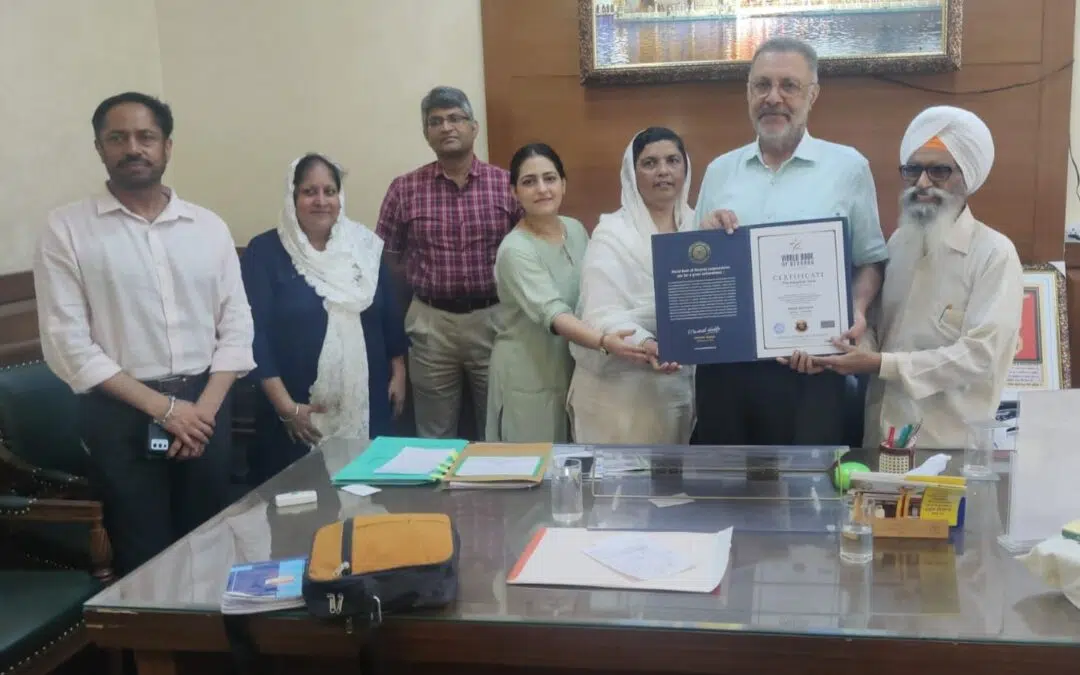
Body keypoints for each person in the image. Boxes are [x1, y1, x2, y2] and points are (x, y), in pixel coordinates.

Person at [34, 92, 254, 575]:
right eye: (118, 137)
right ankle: (157, 652)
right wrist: (166, 411)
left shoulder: (208, 227)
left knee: (214, 541)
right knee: (144, 553)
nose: (133, 148)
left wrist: (201, 414)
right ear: (99, 148)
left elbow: (237, 327)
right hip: (121, 414)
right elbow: (69, 345)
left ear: (167, 146)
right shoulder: (67, 229)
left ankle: (220, 649)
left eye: (145, 136)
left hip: (206, 406)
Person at [787, 106, 1023, 449]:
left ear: (967, 176)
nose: (923, 183)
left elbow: (981, 356)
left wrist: (881, 364)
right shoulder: (899, 243)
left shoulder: (994, 254)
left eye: (939, 171)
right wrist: (841, 351)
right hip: (880, 438)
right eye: (913, 170)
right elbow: (878, 327)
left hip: (947, 446)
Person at [693, 37, 889, 446]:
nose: (773, 98)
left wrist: (853, 309)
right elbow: (699, 272)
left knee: (805, 497)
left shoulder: (848, 168)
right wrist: (707, 241)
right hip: (726, 371)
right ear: (747, 92)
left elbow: (870, 259)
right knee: (723, 497)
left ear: (812, 95)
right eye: (761, 85)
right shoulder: (720, 172)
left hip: (811, 370)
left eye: (789, 86)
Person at [240, 154, 408, 485]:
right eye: (309, 191)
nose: (321, 201)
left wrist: (399, 372)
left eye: (329, 191)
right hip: (294, 409)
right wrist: (286, 408)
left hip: (367, 398)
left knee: (369, 498)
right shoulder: (265, 252)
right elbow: (253, 334)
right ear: (293, 197)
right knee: (299, 508)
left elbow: (388, 314)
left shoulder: (363, 248)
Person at [376, 86, 520, 439]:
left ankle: (495, 494)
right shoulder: (404, 189)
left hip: (493, 320)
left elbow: (527, 256)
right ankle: (435, 495)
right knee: (433, 433)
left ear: (474, 127)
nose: (446, 127)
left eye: (456, 118)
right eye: (436, 121)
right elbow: (384, 262)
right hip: (430, 325)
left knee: (497, 429)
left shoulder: (506, 185)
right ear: (427, 134)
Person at [486, 143, 647, 443]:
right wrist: (604, 342)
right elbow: (555, 314)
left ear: (563, 184)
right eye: (529, 182)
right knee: (534, 470)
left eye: (549, 178)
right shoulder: (515, 250)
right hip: (529, 373)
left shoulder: (574, 229)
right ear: (514, 192)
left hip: (574, 366)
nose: (542, 189)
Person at [568, 127, 696, 444]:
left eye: (672, 160)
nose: (663, 171)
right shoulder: (611, 234)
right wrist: (646, 342)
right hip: (617, 394)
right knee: (618, 488)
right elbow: (600, 313)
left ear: (686, 168)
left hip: (678, 389)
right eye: (649, 163)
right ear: (632, 173)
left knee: (673, 489)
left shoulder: (700, 230)